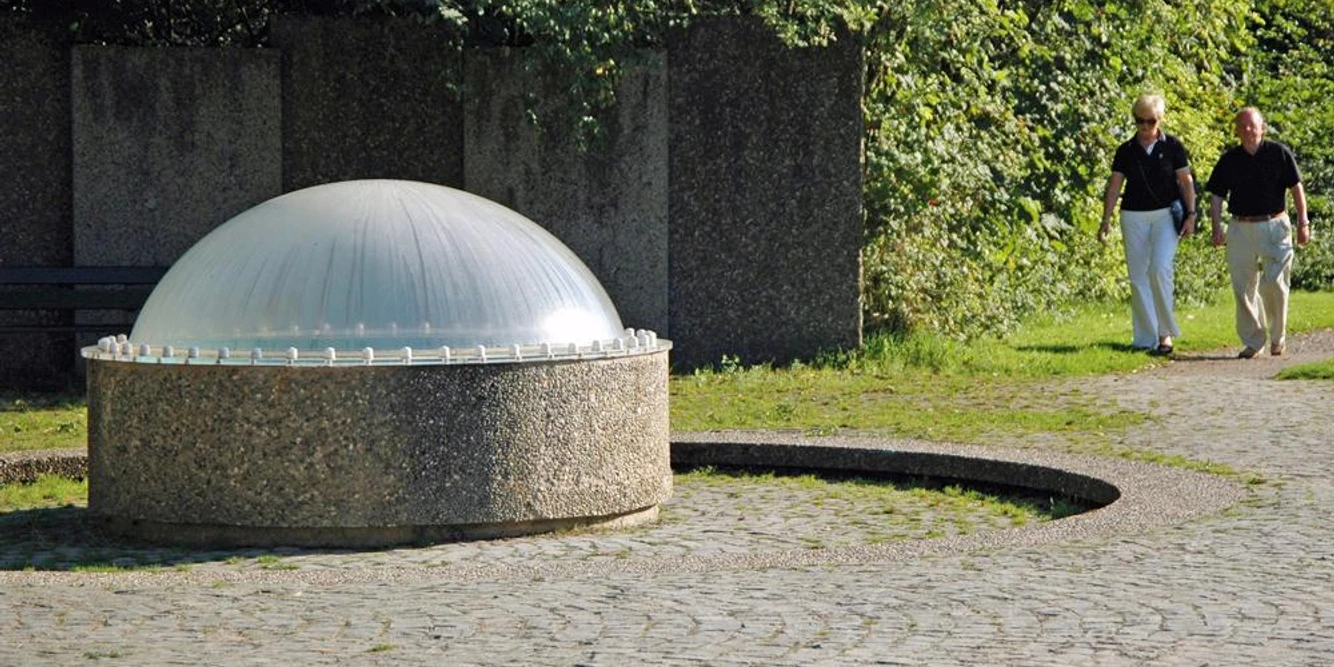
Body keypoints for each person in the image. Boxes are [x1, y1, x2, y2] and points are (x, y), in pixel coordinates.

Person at [1206, 107, 1311, 359]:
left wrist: (1303, 223)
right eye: (1242, 126)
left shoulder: (1279, 153)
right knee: (1243, 288)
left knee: (1274, 283)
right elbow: (1217, 197)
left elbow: (1296, 189)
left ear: (1262, 127)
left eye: (1252, 125)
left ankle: (1278, 338)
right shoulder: (1229, 160)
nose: (1247, 130)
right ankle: (1254, 341)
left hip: (1274, 225)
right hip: (1240, 227)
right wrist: (1216, 228)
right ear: (1236, 131)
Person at [1099, 94, 1198, 355]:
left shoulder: (1173, 146)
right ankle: (1145, 338)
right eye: (1139, 121)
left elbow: (1186, 182)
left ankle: (1165, 334)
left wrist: (1191, 214)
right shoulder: (1126, 150)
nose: (1144, 126)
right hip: (1133, 216)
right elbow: (1114, 187)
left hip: (1165, 215)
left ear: (1160, 120)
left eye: (1150, 121)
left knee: (1159, 268)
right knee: (1138, 277)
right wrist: (1106, 219)